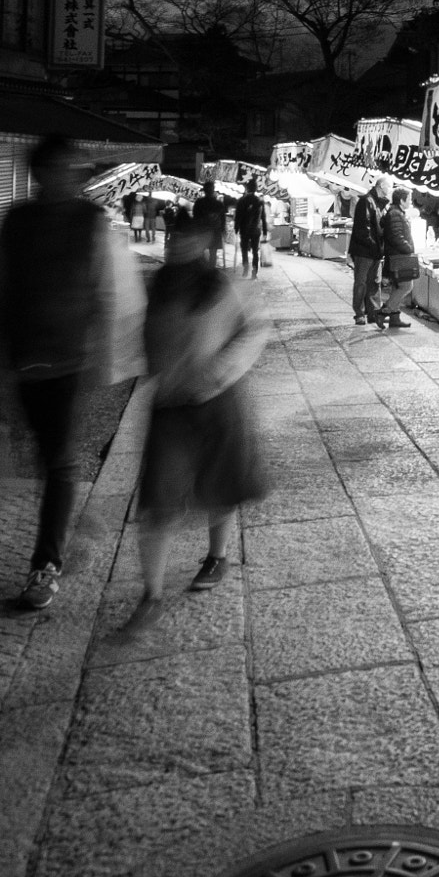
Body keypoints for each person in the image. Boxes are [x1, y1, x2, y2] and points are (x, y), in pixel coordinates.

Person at [118, 220, 270, 638]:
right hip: (169, 407)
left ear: (206, 241)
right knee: (158, 499)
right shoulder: (154, 286)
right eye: (173, 237)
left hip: (218, 403)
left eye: (188, 236)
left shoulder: (226, 286)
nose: (178, 243)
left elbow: (255, 331)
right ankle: (151, 595)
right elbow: (135, 337)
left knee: (221, 483)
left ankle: (217, 555)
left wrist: (219, 372)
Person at [0, 136, 112, 612]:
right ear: (39, 173)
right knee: (41, 460)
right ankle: (74, 514)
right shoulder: (15, 220)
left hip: (69, 360)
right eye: (57, 168)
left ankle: (45, 567)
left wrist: (102, 353)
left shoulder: (90, 221)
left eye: (72, 169)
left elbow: (104, 288)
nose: (67, 176)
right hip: (22, 359)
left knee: (57, 461)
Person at [378, 186, 420, 331]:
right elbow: (396, 236)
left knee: (398, 286)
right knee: (406, 286)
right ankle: (383, 312)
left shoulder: (396, 212)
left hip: (397, 255)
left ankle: (394, 318)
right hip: (399, 256)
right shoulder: (395, 214)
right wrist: (408, 248)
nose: (410, 202)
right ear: (402, 200)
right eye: (408, 199)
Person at [349, 177, 389, 323]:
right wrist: (373, 246)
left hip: (375, 251)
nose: (389, 190)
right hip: (364, 251)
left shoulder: (379, 204)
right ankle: (359, 313)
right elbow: (363, 228)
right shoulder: (366, 201)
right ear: (381, 186)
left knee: (375, 283)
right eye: (388, 187)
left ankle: (373, 313)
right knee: (361, 282)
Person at [235, 182, 265, 278]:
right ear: (256, 189)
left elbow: (238, 216)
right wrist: (264, 229)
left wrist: (236, 227)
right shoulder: (259, 201)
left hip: (244, 229)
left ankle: (245, 268)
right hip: (256, 230)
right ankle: (254, 271)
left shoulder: (241, 201)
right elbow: (263, 217)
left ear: (247, 189)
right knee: (255, 250)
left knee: (244, 249)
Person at [194, 179, 226, 268]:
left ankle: (201, 272)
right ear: (213, 190)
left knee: (200, 253)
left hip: (202, 232)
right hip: (215, 232)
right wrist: (223, 230)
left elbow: (195, 218)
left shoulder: (199, 203)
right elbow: (222, 220)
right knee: (213, 254)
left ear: (204, 190)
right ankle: (211, 272)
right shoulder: (219, 204)